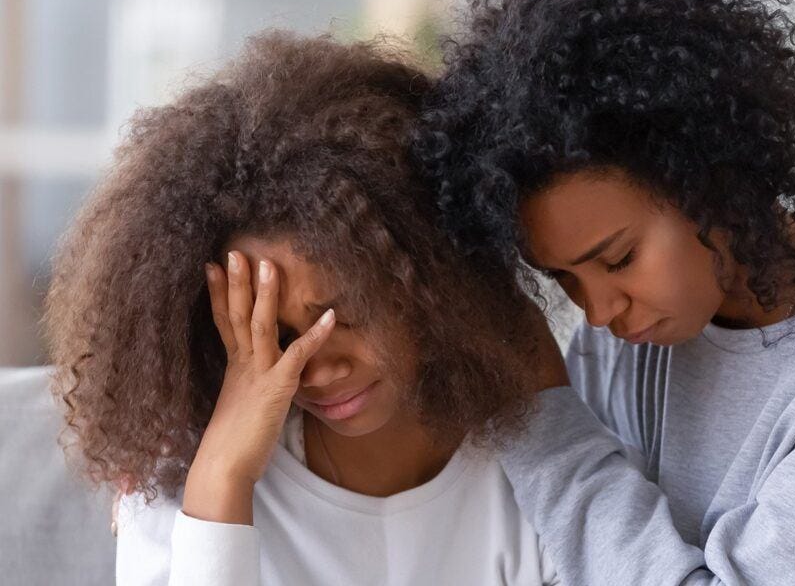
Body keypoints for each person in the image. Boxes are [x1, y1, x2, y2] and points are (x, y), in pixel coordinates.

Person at [416, 0, 795, 583]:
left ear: (709, 180)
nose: (596, 312)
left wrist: (544, 415)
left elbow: (574, 510)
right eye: (562, 277)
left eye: (619, 260)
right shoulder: (633, 331)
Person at [44, 31, 559, 585]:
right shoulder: (182, 489)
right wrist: (222, 480)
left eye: (343, 314)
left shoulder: (525, 476)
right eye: (275, 338)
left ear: (425, 278)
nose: (317, 368)